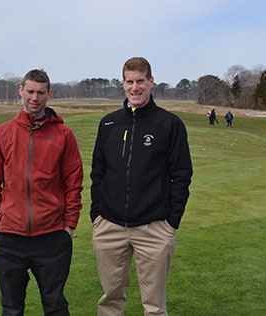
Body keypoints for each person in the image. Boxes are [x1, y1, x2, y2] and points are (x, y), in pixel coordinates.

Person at [90, 57, 193, 316]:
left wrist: (171, 222)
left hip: (154, 227)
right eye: (129, 82)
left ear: (150, 82)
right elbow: (98, 173)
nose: (134, 88)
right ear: (123, 84)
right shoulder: (109, 123)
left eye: (140, 82)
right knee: (110, 300)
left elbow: (181, 176)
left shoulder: (169, 124)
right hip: (110, 226)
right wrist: (97, 214)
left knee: (155, 306)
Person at [0, 69, 83, 316]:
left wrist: (69, 224)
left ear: (49, 94)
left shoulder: (63, 135)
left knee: (56, 306)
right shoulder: (2, 133)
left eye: (40, 92)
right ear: (21, 91)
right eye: (30, 91)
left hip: (52, 237)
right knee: (12, 308)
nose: (34, 98)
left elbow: (74, 182)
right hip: (9, 238)